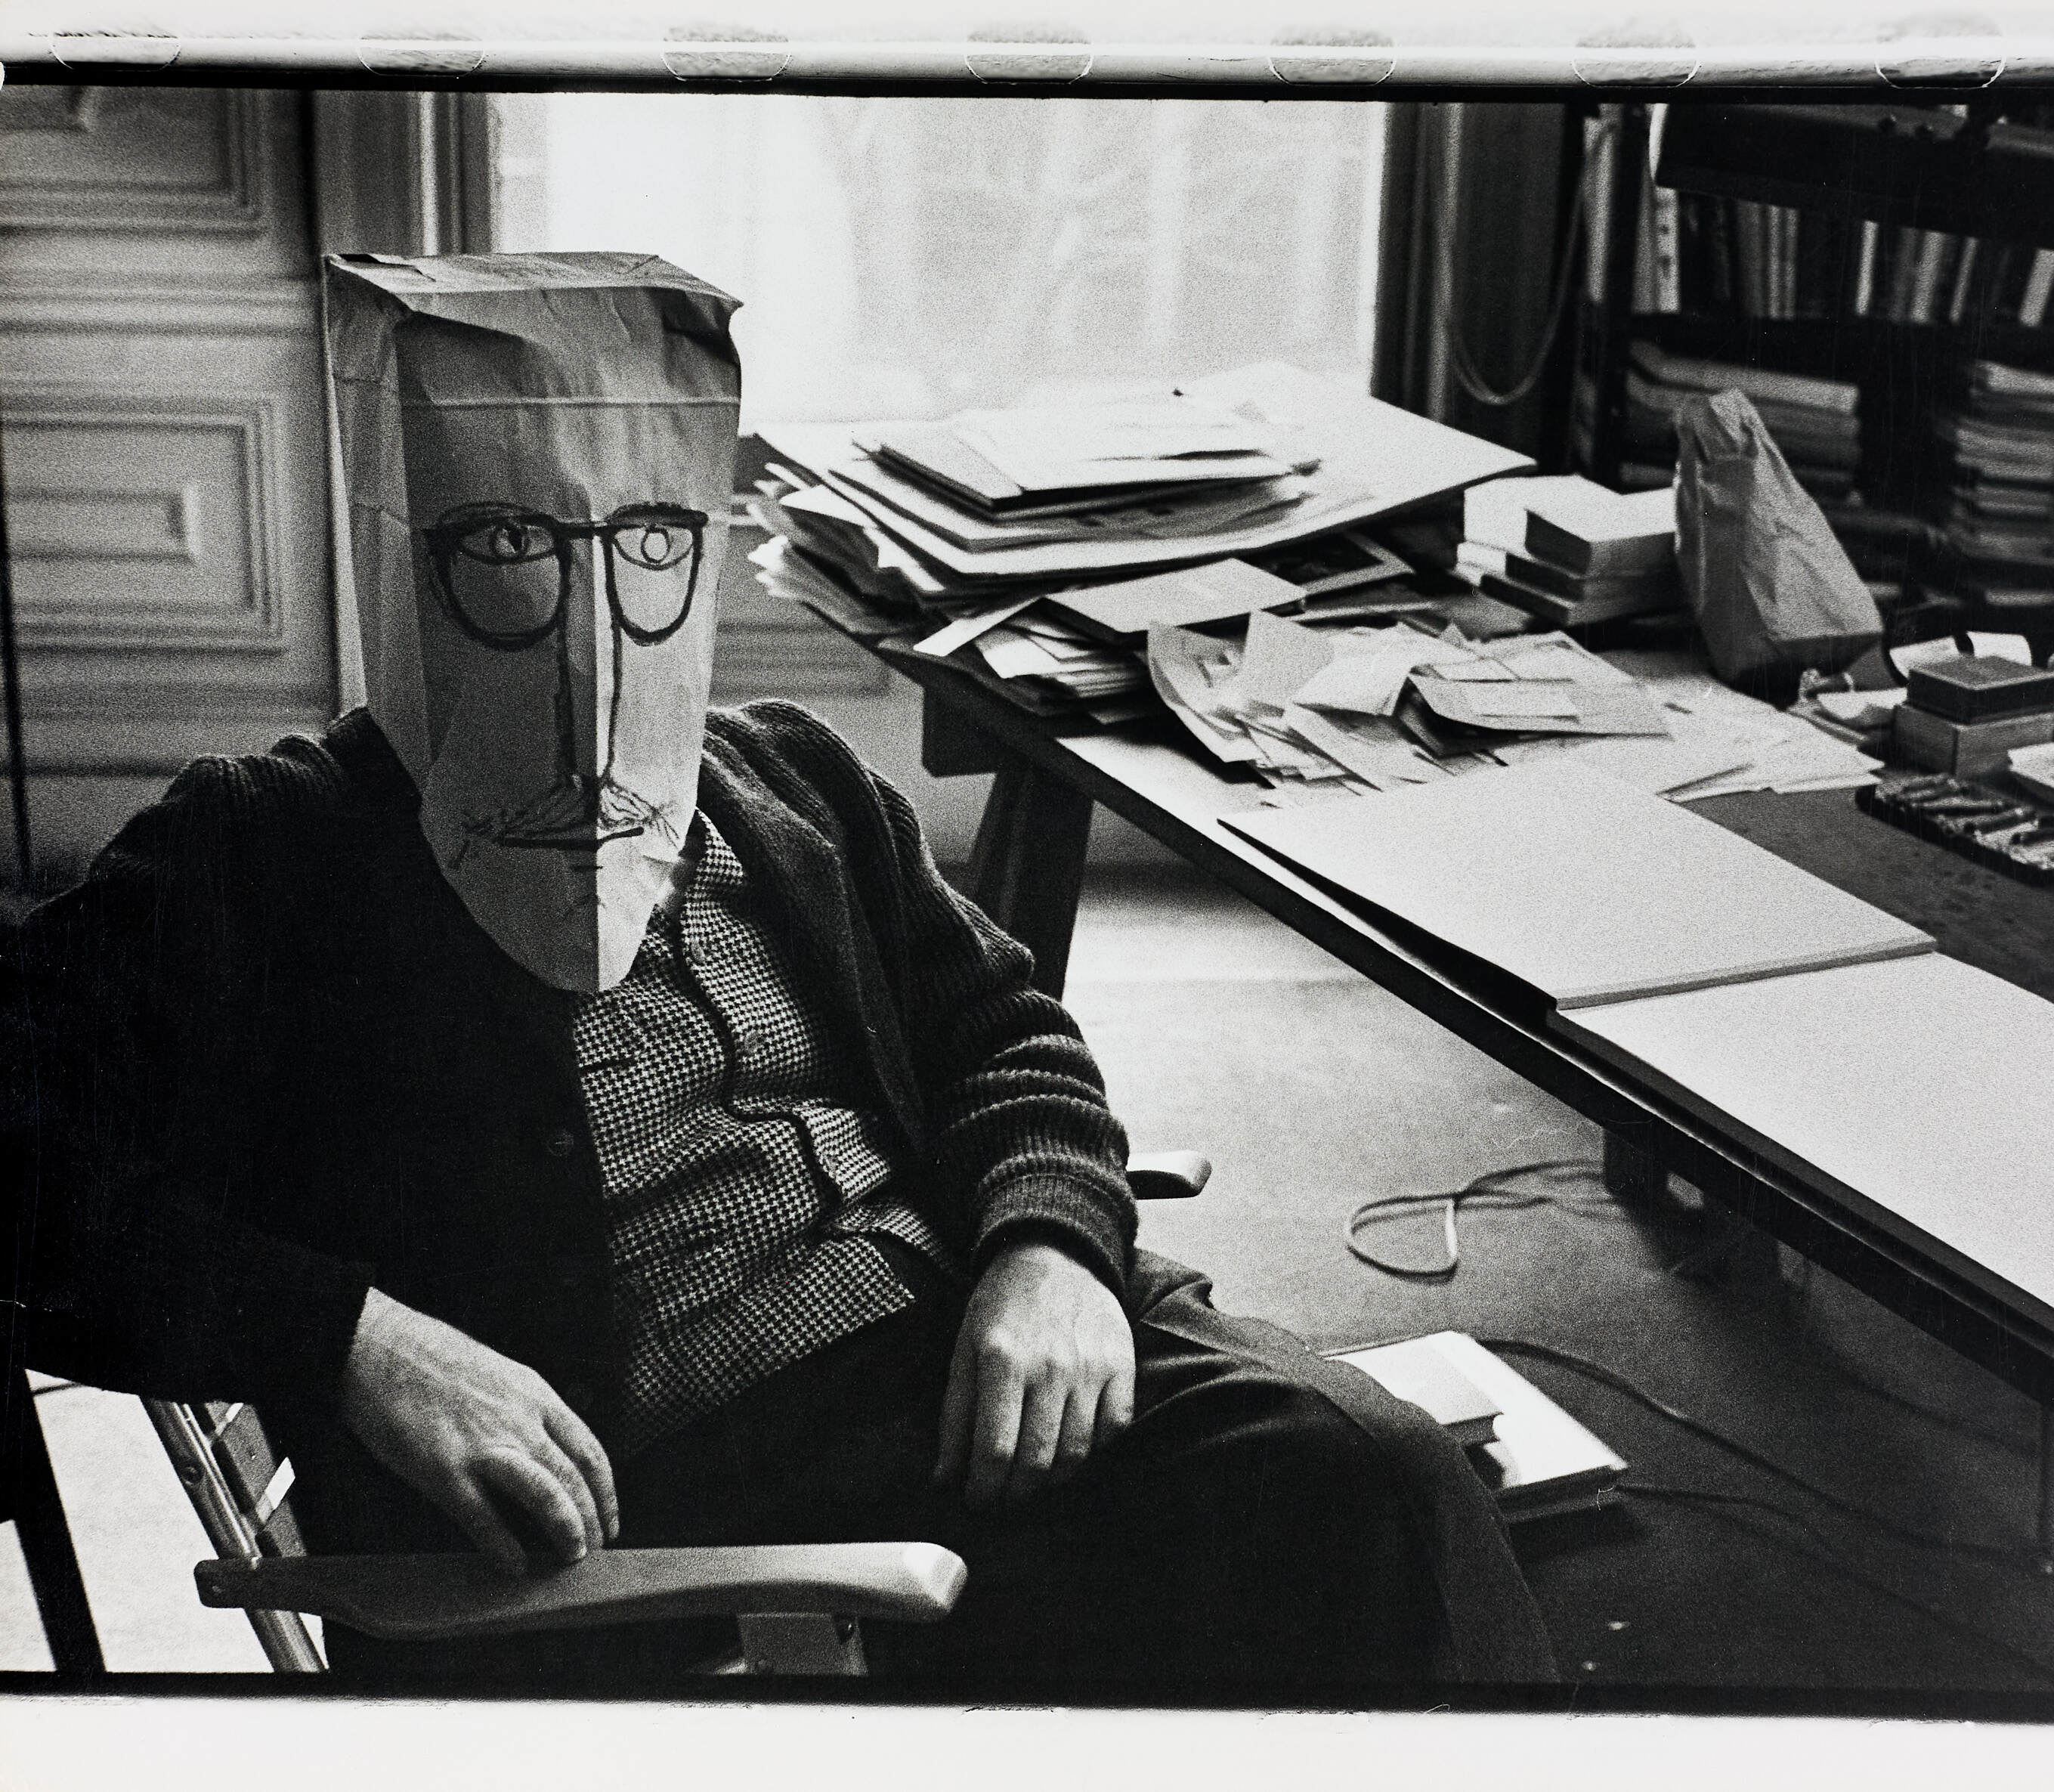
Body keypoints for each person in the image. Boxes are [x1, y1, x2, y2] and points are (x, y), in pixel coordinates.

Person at [0, 252, 1554, 1691]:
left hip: (1000, 1341)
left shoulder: (781, 777)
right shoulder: (262, 853)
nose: (588, 621)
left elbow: (1004, 1028)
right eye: (504, 550)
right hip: (743, 1514)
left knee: (1380, 1463)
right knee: (1346, 1540)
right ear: (399, 556)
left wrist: (1053, 1244)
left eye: (649, 545)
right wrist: (349, 1338)